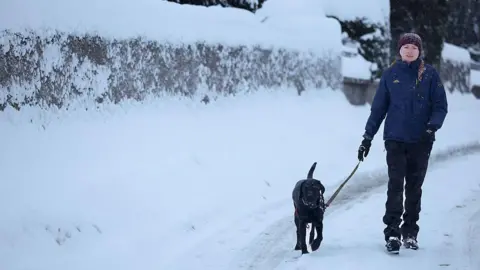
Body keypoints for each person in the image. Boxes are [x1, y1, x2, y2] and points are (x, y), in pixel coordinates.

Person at [357, 33, 448, 253]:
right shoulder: (391, 74)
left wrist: (431, 127)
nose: (409, 51)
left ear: (420, 51)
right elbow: (378, 109)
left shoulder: (430, 75)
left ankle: (410, 233)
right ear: (399, 50)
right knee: (395, 186)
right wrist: (367, 138)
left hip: (421, 141)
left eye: (414, 48)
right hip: (395, 139)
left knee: (414, 188)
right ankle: (392, 234)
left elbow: (440, 106)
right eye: (406, 47)